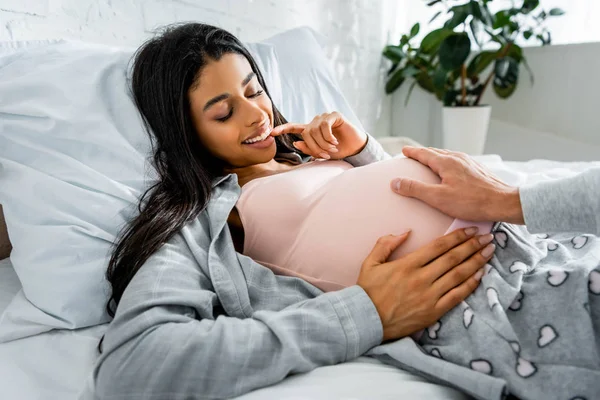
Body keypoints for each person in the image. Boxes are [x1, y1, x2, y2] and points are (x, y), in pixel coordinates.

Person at [85, 23, 599, 400]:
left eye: (254, 90)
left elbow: (395, 196)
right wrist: (365, 313)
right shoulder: (204, 220)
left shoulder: (315, 152)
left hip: (536, 247)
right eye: (223, 112)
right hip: (485, 300)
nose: (256, 114)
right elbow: (132, 365)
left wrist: (364, 153)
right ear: (184, 133)